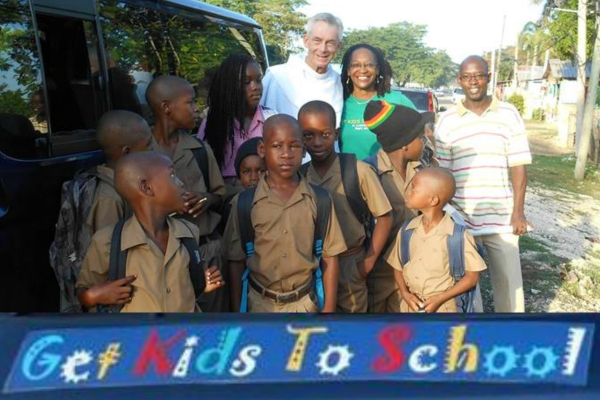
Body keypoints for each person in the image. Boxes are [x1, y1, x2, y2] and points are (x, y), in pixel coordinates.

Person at [435, 55, 532, 313]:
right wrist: (446, 217)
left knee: (510, 288)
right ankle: (474, 339)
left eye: (478, 75)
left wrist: (518, 212)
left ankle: (511, 338)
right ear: (460, 80)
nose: (473, 81)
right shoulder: (446, 121)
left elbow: (519, 166)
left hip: (502, 219)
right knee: (468, 290)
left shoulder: (509, 114)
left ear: (488, 77)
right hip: (462, 219)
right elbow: (442, 175)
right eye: (467, 77)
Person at [224, 114, 347, 312]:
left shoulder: (320, 200)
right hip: (258, 304)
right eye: (277, 146)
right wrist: (240, 312)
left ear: (304, 150)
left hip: (305, 304)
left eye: (294, 146)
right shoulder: (245, 203)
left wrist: (328, 311)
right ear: (262, 149)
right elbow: (236, 262)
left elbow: (330, 258)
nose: (286, 154)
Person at [76, 151, 224, 312]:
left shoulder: (188, 233)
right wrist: (92, 297)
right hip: (137, 338)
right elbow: (83, 290)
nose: (181, 183)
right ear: (147, 188)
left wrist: (201, 284)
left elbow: (184, 287)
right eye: (172, 175)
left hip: (183, 335)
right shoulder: (108, 242)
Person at [298, 100, 393, 313]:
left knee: (351, 328)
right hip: (312, 265)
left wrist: (366, 264)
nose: (317, 142)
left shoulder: (357, 171)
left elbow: (385, 218)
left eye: (325, 134)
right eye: (308, 135)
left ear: (336, 133)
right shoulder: (300, 176)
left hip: (350, 262)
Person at [146, 75, 228, 312]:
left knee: (212, 326)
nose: (196, 109)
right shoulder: (141, 152)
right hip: (161, 257)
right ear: (166, 107)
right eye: (190, 103)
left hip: (205, 250)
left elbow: (220, 194)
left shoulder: (200, 149)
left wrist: (206, 199)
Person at [362, 100, 434, 312]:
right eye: (420, 137)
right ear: (405, 143)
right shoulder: (369, 172)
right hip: (379, 273)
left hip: (415, 271)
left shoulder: (423, 170)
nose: (425, 141)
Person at [386, 168, 486, 313]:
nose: (408, 192)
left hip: (444, 309)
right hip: (410, 307)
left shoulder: (457, 235)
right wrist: (406, 294)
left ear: (433, 200)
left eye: (414, 189)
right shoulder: (407, 230)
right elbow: (397, 267)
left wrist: (440, 299)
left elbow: (472, 277)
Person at [198, 54, 276, 193]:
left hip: (266, 193)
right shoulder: (214, 122)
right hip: (226, 196)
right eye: (246, 82)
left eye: (258, 80)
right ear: (230, 86)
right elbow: (202, 167)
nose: (255, 87)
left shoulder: (272, 119)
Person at [261, 13, 344, 128]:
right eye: (317, 41)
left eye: (330, 43)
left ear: (339, 46)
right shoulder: (277, 77)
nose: (323, 49)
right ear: (306, 40)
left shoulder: (341, 83)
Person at [339, 44, 415, 160]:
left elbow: (425, 134)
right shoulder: (340, 104)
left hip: (388, 177)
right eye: (356, 65)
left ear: (377, 69)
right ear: (348, 70)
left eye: (369, 65)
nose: (363, 70)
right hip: (349, 176)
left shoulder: (397, 100)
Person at [89, 110, 153, 233]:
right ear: (127, 152)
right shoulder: (109, 199)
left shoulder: (128, 183)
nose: (153, 149)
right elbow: (108, 248)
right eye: (148, 144)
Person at [217, 137, 266, 234]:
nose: (253, 177)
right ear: (239, 175)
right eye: (246, 172)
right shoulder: (234, 206)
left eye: (261, 171)